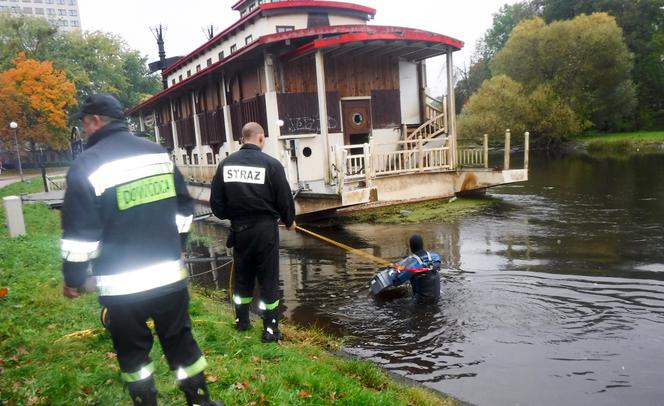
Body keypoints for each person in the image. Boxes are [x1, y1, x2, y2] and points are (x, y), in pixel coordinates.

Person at [60, 93, 223, 406]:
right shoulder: (157, 153)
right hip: (168, 276)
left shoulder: (86, 165)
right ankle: (200, 400)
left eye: (84, 123)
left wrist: (73, 278)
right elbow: (183, 209)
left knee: (133, 351)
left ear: (94, 121)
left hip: (122, 287)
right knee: (180, 340)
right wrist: (176, 246)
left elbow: (80, 236)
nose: (83, 130)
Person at [210, 122, 295, 343]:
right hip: (265, 230)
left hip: (240, 230)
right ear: (260, 138)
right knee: (268, 278)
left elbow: (217, 206)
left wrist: (235, 215)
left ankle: (242, 321)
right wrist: (289, 220)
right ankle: (270, 329)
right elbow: (284, 198)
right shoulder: (272, 164)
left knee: (243, 277)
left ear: (242, 138)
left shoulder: (225, 165)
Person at [390, 234, 442, 304]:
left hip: (420, 303)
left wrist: (396, 270)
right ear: (422, 245)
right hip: (437, 299)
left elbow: (396, 282)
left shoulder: (413, 266)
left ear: (411, 247)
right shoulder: (435, 256)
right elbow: (437, 263)